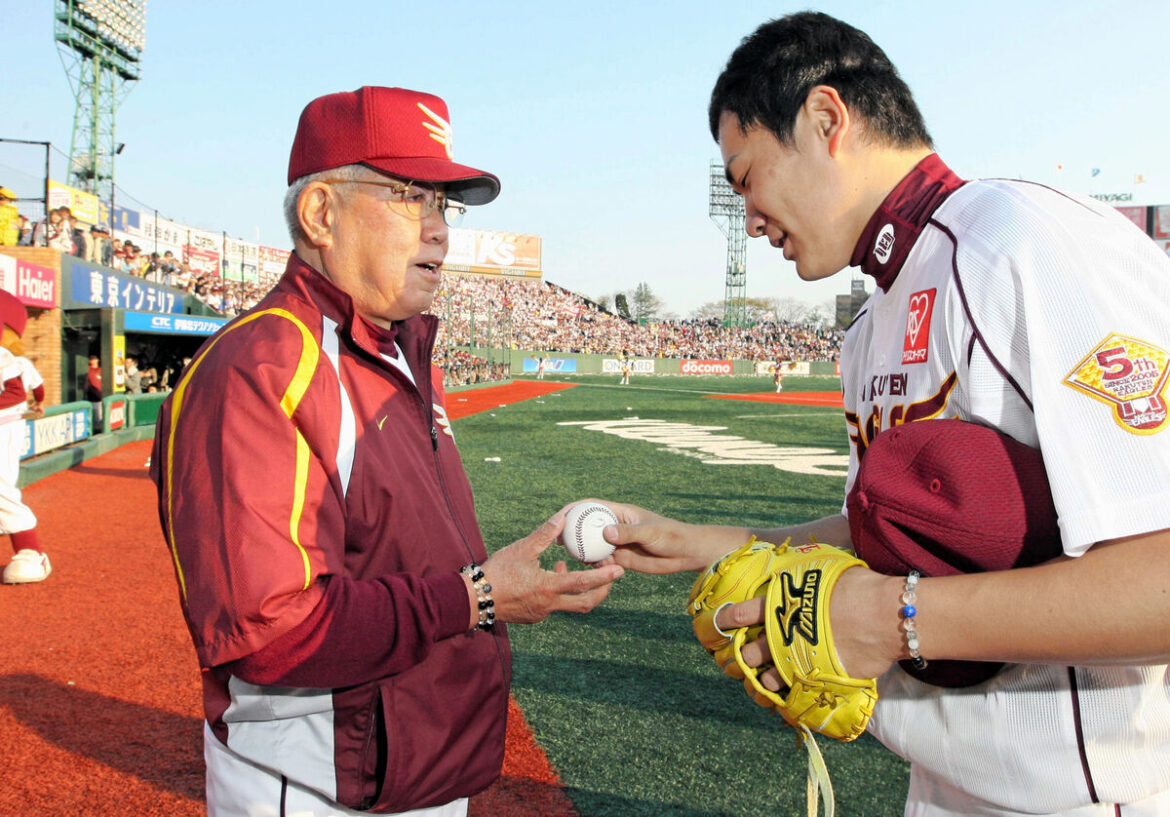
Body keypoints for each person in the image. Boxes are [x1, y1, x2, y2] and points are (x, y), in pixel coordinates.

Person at [599, 12, 1170, 817]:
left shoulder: (1022, 244)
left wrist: (898, 619)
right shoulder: (870, 326)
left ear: (826, 118)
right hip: (941, 783)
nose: (750, 215)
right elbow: (891, 530)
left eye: (745, 175)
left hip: (1078, 795)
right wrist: (708, 543)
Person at [149, 86, 623, 817]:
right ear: (320, 214)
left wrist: (484, 586)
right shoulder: (263, 365)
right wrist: (480, 595)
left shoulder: (394, 351)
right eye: (409, 195)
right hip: (317, 784)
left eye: (445, 205)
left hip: (411, 764)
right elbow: (271, 632)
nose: (439, 231)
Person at [0, 290, 50, 584]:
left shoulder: (10, 359)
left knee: (0, 485)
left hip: (5, 425)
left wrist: (39, 403)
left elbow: (26, 390)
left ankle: (31, 550)